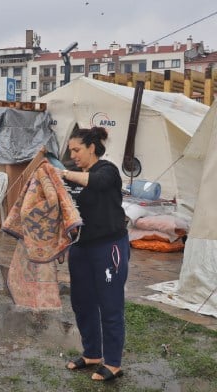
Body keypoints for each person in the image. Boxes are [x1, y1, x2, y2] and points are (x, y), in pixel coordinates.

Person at [62, 126, 129, 382]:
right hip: (80, 247)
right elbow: (69, 212)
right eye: (71, 151)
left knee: (110, 304)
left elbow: (97, 182)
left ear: (92, 147)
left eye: (77, 150)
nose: (74, 155)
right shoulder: (75, 174)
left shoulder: (107, 171)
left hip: (108, 246)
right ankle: (92, 354)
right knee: (82, 302)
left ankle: (113, 363)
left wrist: (64, 173)